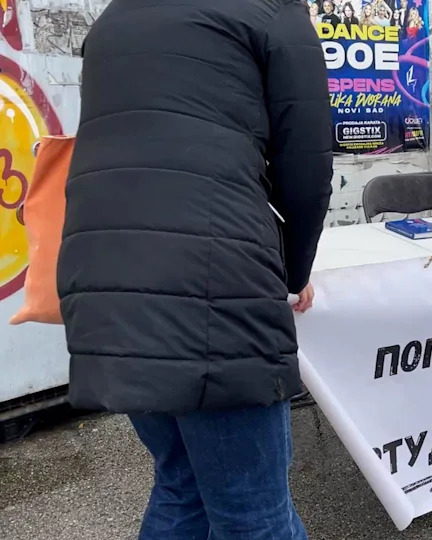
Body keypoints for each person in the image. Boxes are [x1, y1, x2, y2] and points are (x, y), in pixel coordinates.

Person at [58, 0, 333, 538]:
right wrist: (291, 274)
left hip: (101, 279)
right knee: (254, 514)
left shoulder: (115, 17)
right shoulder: (272, 13)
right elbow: (306, 168)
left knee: (182, 485)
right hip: (211, 285)